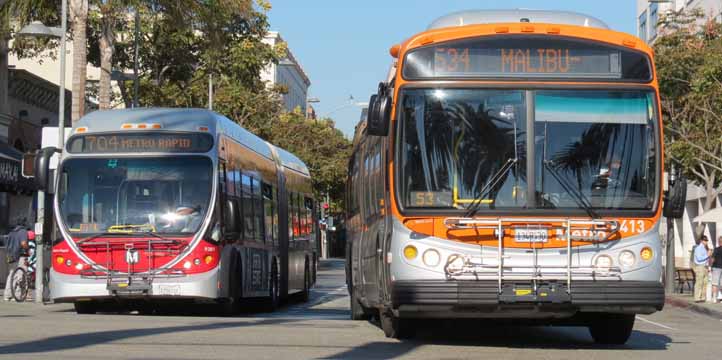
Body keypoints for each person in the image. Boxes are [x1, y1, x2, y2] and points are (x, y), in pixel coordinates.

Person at [3, 223, 28, 301]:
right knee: (20, 275)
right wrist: (28, 249)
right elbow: (23, 243)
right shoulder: (23, 231)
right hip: (20, 256)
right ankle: (17, 295)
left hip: (11, 256)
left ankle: (7, 295)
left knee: (11, 275)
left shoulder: (12, 232)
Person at [692, 235, 712, 303]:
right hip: (700, 266)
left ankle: (703, 297)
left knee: (705, 282)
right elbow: (699, 258)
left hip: (705, 267)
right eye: (704, 240)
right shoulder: (698, 248)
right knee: (699, 282)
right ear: (701, 241)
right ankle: (697, 297)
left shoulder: (705, 248)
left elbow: (707, 259)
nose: (706, 242)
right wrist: (707, 255)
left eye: (706, 240)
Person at [711, 237, 722, 303]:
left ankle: (714, 298)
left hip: (716, 268)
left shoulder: (716, 249)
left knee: (715, 283)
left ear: (719, 242)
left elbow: (712, 259)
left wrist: (710, 266)